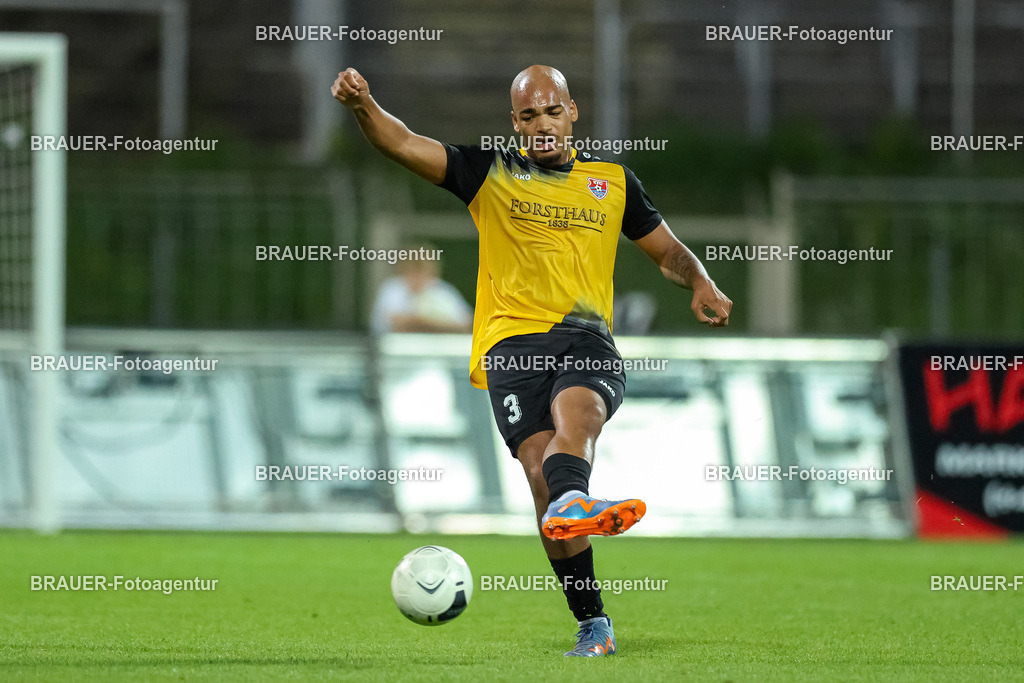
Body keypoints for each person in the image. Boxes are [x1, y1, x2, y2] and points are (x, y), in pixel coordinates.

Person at [332, 64, 732, 657]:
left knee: (580, 417)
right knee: (542, 478)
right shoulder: (488, 172)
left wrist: (700, 280)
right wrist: (364, 104)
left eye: (551, 111)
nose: (542, 124)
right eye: (528, 115)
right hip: (512, 346)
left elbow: (666, 249)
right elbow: (403, 143)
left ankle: (576, 504)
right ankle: (592, 618)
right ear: (515, 123)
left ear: (573, 113)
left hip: (586, 337)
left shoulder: (613, 182)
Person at [370, 250, 473, 334]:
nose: (418, 276)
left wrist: (419, 322)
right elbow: (392, 321)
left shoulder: (443, 290)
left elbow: (465, 323)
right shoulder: (393, 289)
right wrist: (436, 322)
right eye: (413, 270)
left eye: (422, 270)